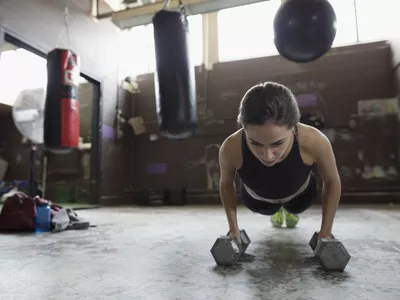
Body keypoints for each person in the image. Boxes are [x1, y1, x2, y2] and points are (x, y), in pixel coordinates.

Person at [218, 81, 341, 242]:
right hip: (258, 201)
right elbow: (226, 184)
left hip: (300, 197)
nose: (268, 156)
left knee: (295, 207)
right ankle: (277, 211)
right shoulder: (231, 147)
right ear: (243, 128)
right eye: (255, 143)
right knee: (267, 209)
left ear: (293, 127)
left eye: (277, 143)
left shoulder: (314, 141)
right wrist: (233, 230)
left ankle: (288, 211)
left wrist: (325, 232)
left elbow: (332, 180)